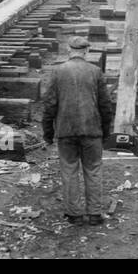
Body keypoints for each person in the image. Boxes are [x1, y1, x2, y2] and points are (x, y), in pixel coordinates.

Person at [42, 35, 115, 225]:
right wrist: (106, 131)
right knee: (93, 170)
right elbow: (106, 105)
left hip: (66, 131)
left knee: (69, 170)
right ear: (86, 51)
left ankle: (74, 214)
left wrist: (48, 133)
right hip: (92, 131)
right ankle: (95, 214)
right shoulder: (95, 71)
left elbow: (49, 105)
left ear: (69, 50)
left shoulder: (57, 72)